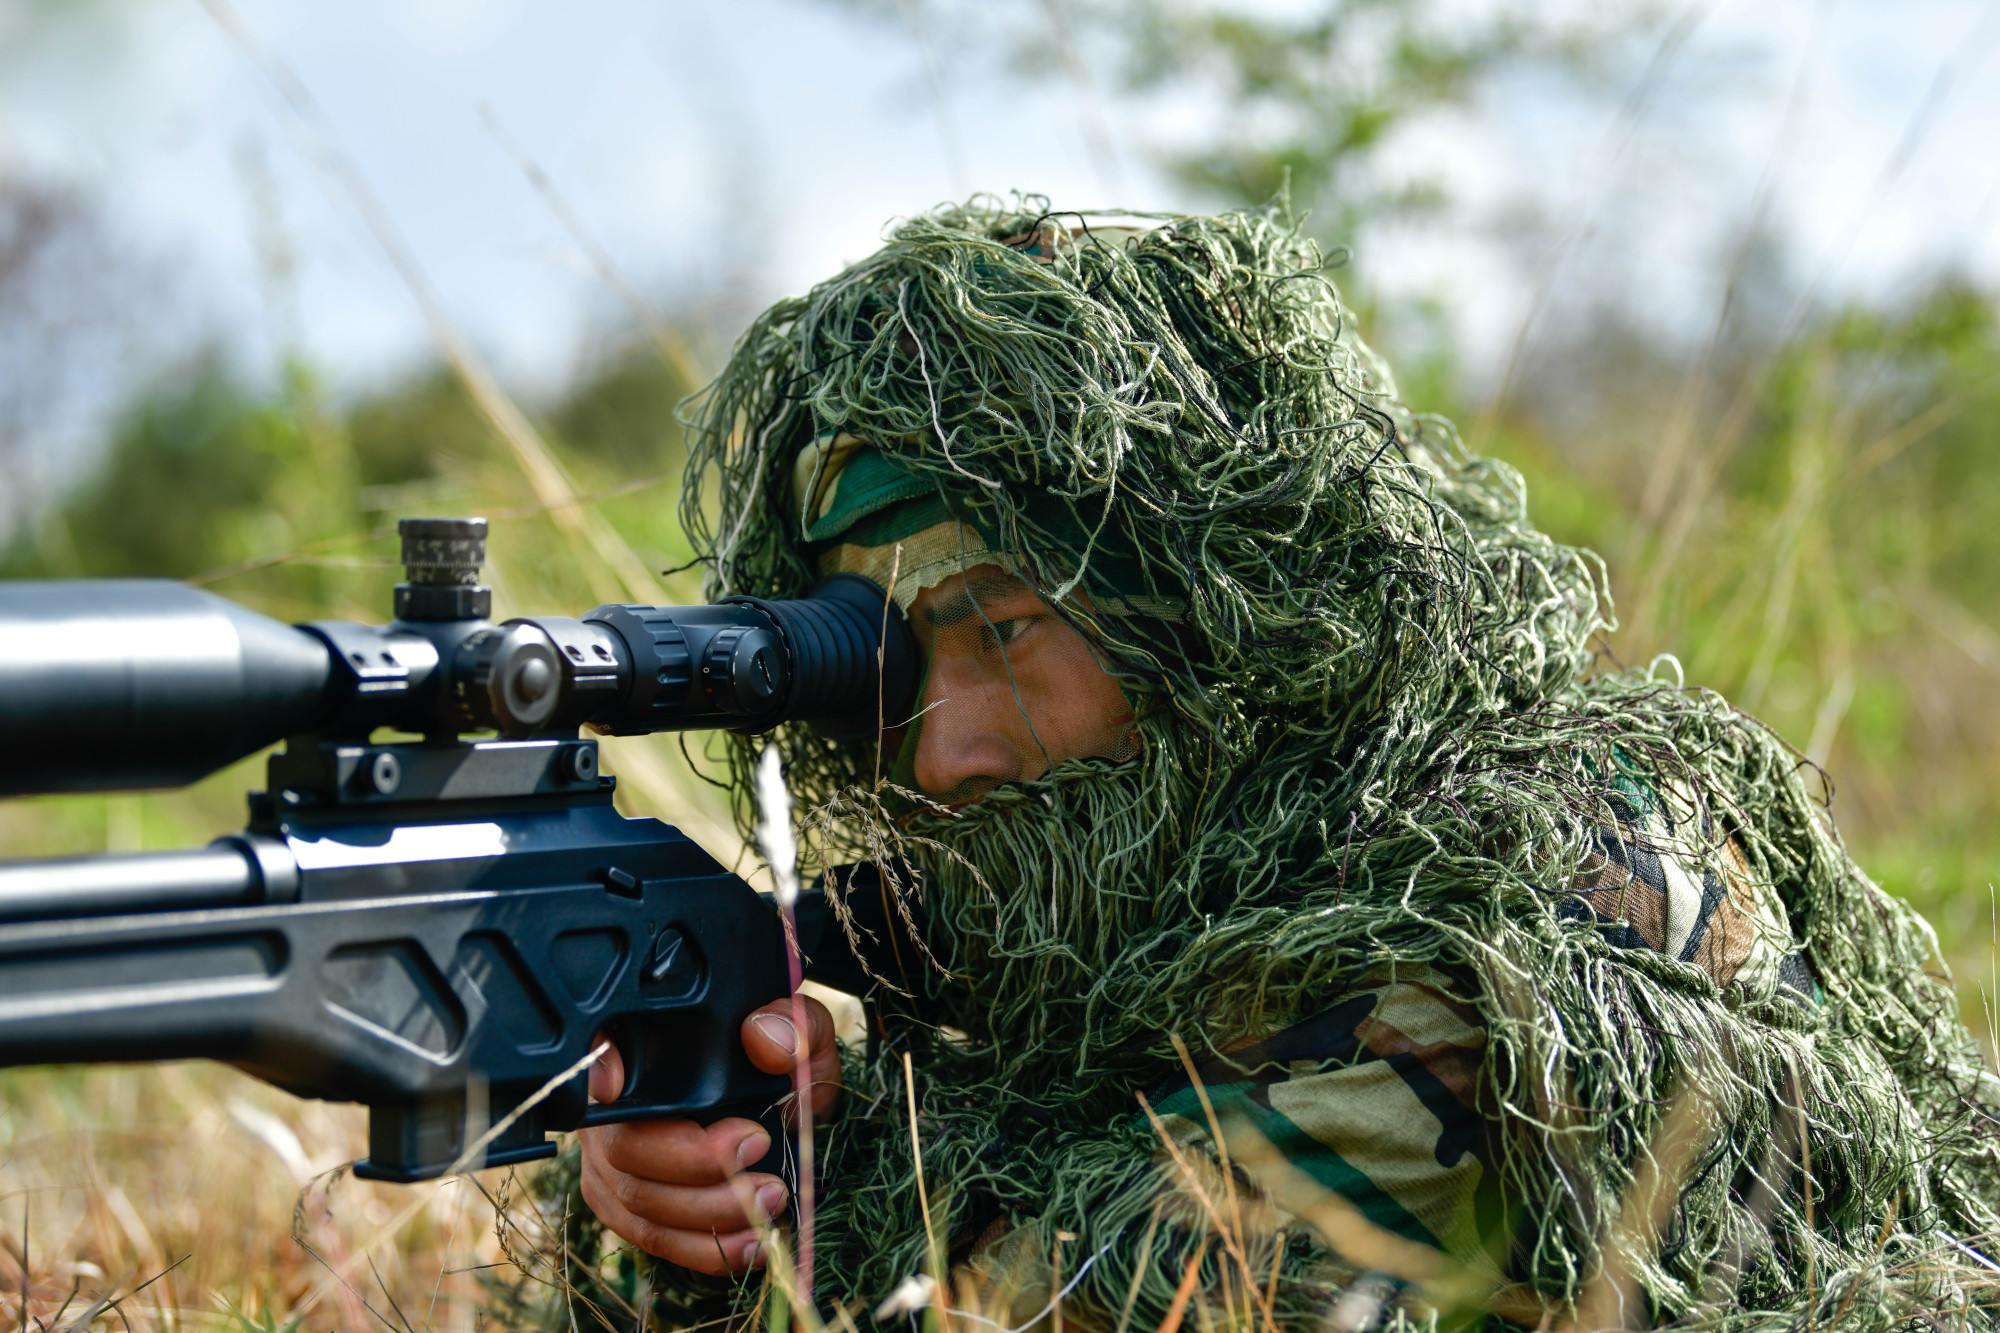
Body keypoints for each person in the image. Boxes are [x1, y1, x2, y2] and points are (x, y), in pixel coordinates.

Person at [566, 200, 2000, 1330]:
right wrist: (683, 1178)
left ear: (1208, 604)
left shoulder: (1524, 893)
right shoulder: (1116, 897)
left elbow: (1096, 1306)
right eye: (887, 672)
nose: (946, 753)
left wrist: (819, 1184)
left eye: (1001, 628)